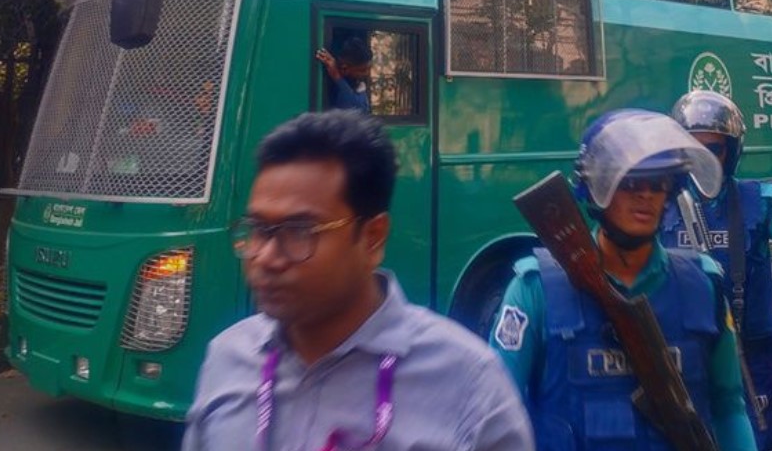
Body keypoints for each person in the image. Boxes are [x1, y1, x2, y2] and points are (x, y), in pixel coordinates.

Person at [184, 111, 531, 451]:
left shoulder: (469, 385)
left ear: (372, 238)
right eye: (259, 229)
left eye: (299, 231)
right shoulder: (227, 359)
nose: (266, 257)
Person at [491, 109, 758, 451]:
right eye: (630, 182)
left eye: (659, 183)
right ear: (595, 188)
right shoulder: (535, 289)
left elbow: (729, 406)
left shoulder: (704, 286)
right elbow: (495, 412)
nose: (646, 194)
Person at [662, 90, 772, 449]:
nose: (703, 160)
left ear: (732, 151)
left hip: (756, 359)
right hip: (682, 361)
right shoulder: (658, 204)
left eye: (714, 149)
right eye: (692, 150)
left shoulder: (762, 201)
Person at [318, 36, 373, 113]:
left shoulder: (358, 85)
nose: (367, 73)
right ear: (344, 69)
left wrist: (337, 78)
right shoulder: (329, 84)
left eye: (369, 68)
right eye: (362, 70)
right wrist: (337, 78)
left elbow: (362, 111)